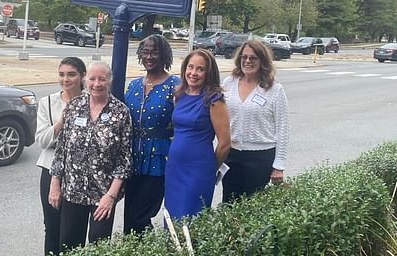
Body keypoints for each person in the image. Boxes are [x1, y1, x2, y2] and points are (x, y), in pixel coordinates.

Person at [48, 62, 133, 253]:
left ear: (109, 81)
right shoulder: (74, 106)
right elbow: (61, 150)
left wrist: (110, 196)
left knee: (99, 246)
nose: (96, 84)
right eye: (92, 79)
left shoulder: (120, 112)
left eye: (102, 79)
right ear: (86, 80)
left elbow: (124, 160)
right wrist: (55, 184)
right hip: (72, 191)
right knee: (68, 244)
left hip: (102, 194)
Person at [164, 49, 231, 222]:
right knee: (172, 218)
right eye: (190, 67)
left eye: (200, 69)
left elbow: (224, 143)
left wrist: (210, 169)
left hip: (198, 170)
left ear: (208, 73)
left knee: (191, 219)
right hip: (175, 169)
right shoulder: (178, 96)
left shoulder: (214, 100)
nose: (193, 73)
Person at [123, 34, 180, 234]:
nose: (149, 56)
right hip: (132, 158)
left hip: (159, 158)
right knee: (130, 214)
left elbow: (185, 121)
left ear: (164, 55)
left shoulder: (175, 85)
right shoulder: (134, 85)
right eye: (145, 52)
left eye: (154, 52)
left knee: (140, 215)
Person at [222, 40, 289, 203]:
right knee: (229, 205)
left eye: (253, 58)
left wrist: (279, 165)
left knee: (252, 206)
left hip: (260, 158)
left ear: (262, 61)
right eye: (244, 57)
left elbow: (283, 129)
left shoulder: (274, 89)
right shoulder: (228, 83)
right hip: (231, 156)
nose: (248, 61)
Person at [35, 57, 87, 256]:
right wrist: (59, 123)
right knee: (52, 225)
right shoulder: (47, 102)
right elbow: (41, 140)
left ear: (82, 76)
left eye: (71, 74)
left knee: (75, 228)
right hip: (50, 169)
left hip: (80, 173)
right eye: (62, 74)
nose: (66, 79)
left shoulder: (90, 101)